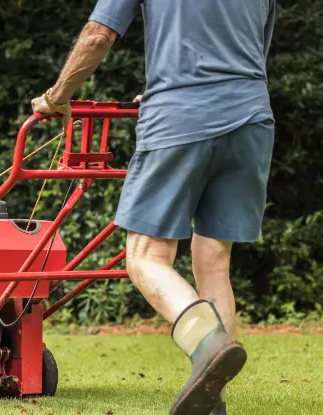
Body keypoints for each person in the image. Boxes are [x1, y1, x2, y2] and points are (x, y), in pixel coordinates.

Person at [31, 1, 276, 414]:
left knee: (146, 257)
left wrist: (56, 98)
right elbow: (250, 53)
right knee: (213, 261)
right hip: (251, 117)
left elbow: (97, 35)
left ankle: (208, 344)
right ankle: (211, 400)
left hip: (180, 117)